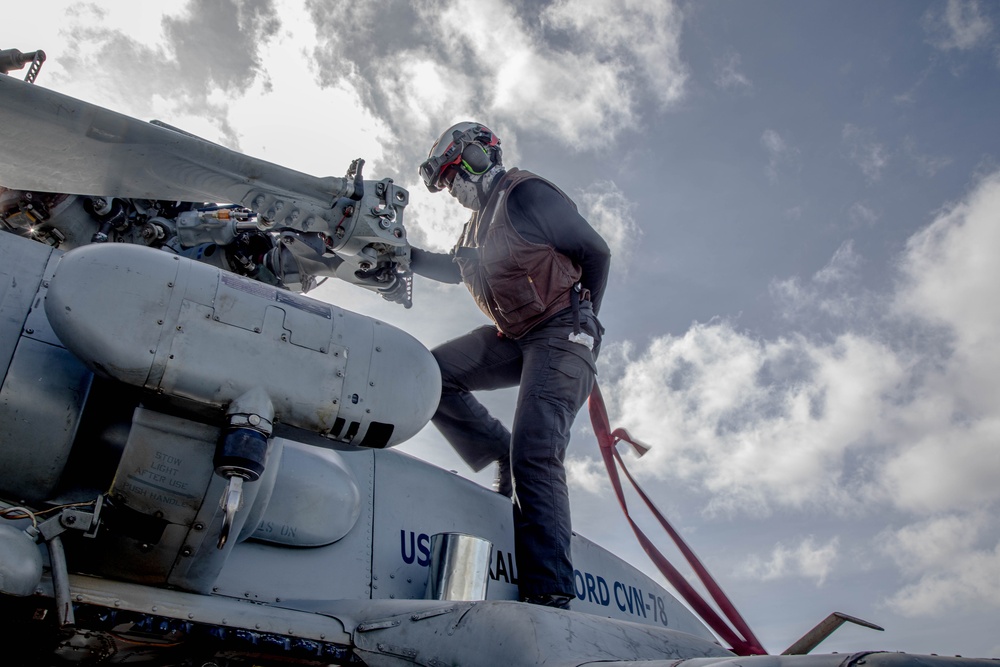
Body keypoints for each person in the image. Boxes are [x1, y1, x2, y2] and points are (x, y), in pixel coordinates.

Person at [410, 122, 611, 609]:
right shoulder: (474, 230)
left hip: (562, 331)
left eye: (464, 165)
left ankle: (549, 595)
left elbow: (595, 251)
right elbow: (450, 268)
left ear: (487, 154)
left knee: (536, 452)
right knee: (434, 375)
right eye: (450, 179)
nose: (459, 183)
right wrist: (403, 255)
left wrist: (583, 319)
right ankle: (499, 449)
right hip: (517, 338)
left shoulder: (524, 196)